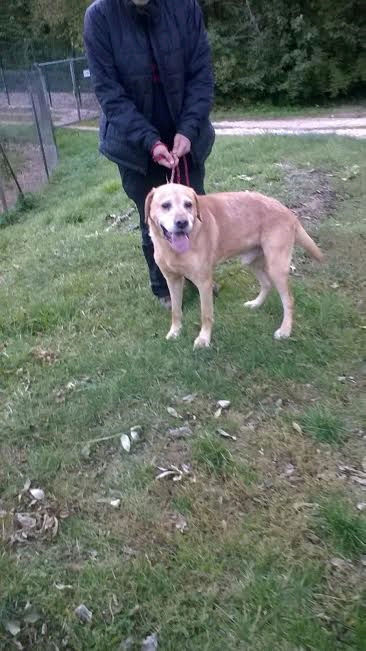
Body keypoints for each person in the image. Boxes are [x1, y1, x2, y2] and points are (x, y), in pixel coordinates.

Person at [84, 0, 215, 308]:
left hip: (186, 135)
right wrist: (150, 141)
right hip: (133, 143)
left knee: (193, 213)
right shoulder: (100, 17)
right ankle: (164, 287)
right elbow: (109, 93)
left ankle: (200, 276)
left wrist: (189, 129)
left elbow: (201, 76)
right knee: (155, 219)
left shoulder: (185, 7)